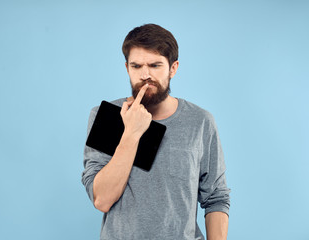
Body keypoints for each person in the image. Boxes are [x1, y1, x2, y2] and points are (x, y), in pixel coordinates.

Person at [82, 23, 230, 240]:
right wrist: (131, 133)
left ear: (173, 68)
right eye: (136, 66)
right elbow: (102, 199)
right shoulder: (107, 117)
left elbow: (216, 197)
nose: (145, 75)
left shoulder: (200, 121)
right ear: (127, 68)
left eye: (155, 65)